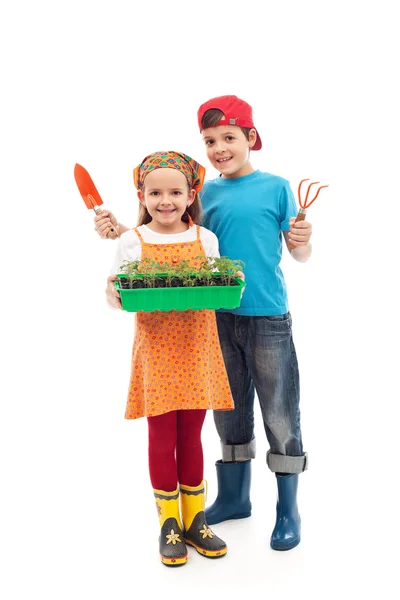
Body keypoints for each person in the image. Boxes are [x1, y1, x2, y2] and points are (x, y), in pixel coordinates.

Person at [96, 96, 312, 552]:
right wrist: (118, 234)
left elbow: (299, 254)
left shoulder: (276, 187)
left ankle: (288, 508)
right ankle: (234, 499)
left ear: (250, 138)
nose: (219, 148)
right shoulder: (205, 192)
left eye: (229, 138)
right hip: (211, 320)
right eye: (210, 140)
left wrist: (302, 241)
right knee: (228, 413)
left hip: (268, 314)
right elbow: (161, 230)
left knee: (278, 411)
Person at [106, 151, 236, 567]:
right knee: (161, 438)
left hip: (198, 348)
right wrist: (113, 292)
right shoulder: (133, 241)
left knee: (192, 437)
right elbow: (117, 295)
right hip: (157, 351)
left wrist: (231, 281)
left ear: (191, 193)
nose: (166, 200)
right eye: (155, 192)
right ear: (141, 195)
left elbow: (216, 284)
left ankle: (195, 520)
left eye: (175, 192)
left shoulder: (205, 239)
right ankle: (169, 524)